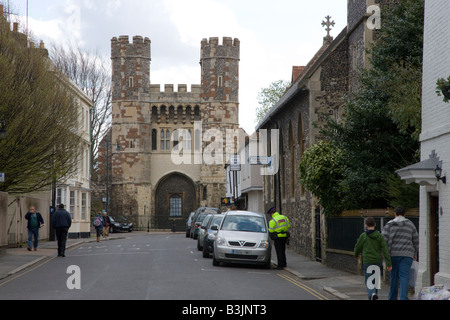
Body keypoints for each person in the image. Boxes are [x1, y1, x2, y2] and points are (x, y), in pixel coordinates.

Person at [382, 206, 419, 300]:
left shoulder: (389, 225)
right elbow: (416, 240)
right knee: (404, 276)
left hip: (393, 255)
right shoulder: (410, 224)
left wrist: (384, 254)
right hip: (407, 255)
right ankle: (403, 297)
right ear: (405, 214)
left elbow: (383, 241)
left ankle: (392, 297)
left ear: (394, 214)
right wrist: (415, 253)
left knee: (393, 276)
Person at [354, 217, 392, 300]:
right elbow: (385, 250)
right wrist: (388, 264)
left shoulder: (363, 236)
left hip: (367, 261)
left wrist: (356, 255)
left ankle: (372, 294)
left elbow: (357, 247)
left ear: (366, 225)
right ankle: (374, 294)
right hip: (377, 261)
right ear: (375, 224)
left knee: (369, 281)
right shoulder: (379, 236)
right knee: (376, 281)